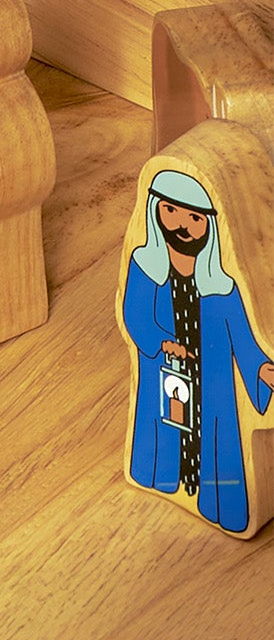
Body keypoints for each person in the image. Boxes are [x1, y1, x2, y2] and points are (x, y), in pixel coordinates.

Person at [121, 166, 274, 535]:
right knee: (166, 428)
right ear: (155, 210)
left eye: (194, 217)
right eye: (171, 211)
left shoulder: (222, 283)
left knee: (214, 441)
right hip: (166, 375)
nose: (182, 225)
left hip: (214, 385)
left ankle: (217, 499)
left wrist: (260, 368)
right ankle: (161, 478)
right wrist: (161, 341)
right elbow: (134, 314)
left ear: (211, 224)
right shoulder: (145, 266)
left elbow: (244, 335)